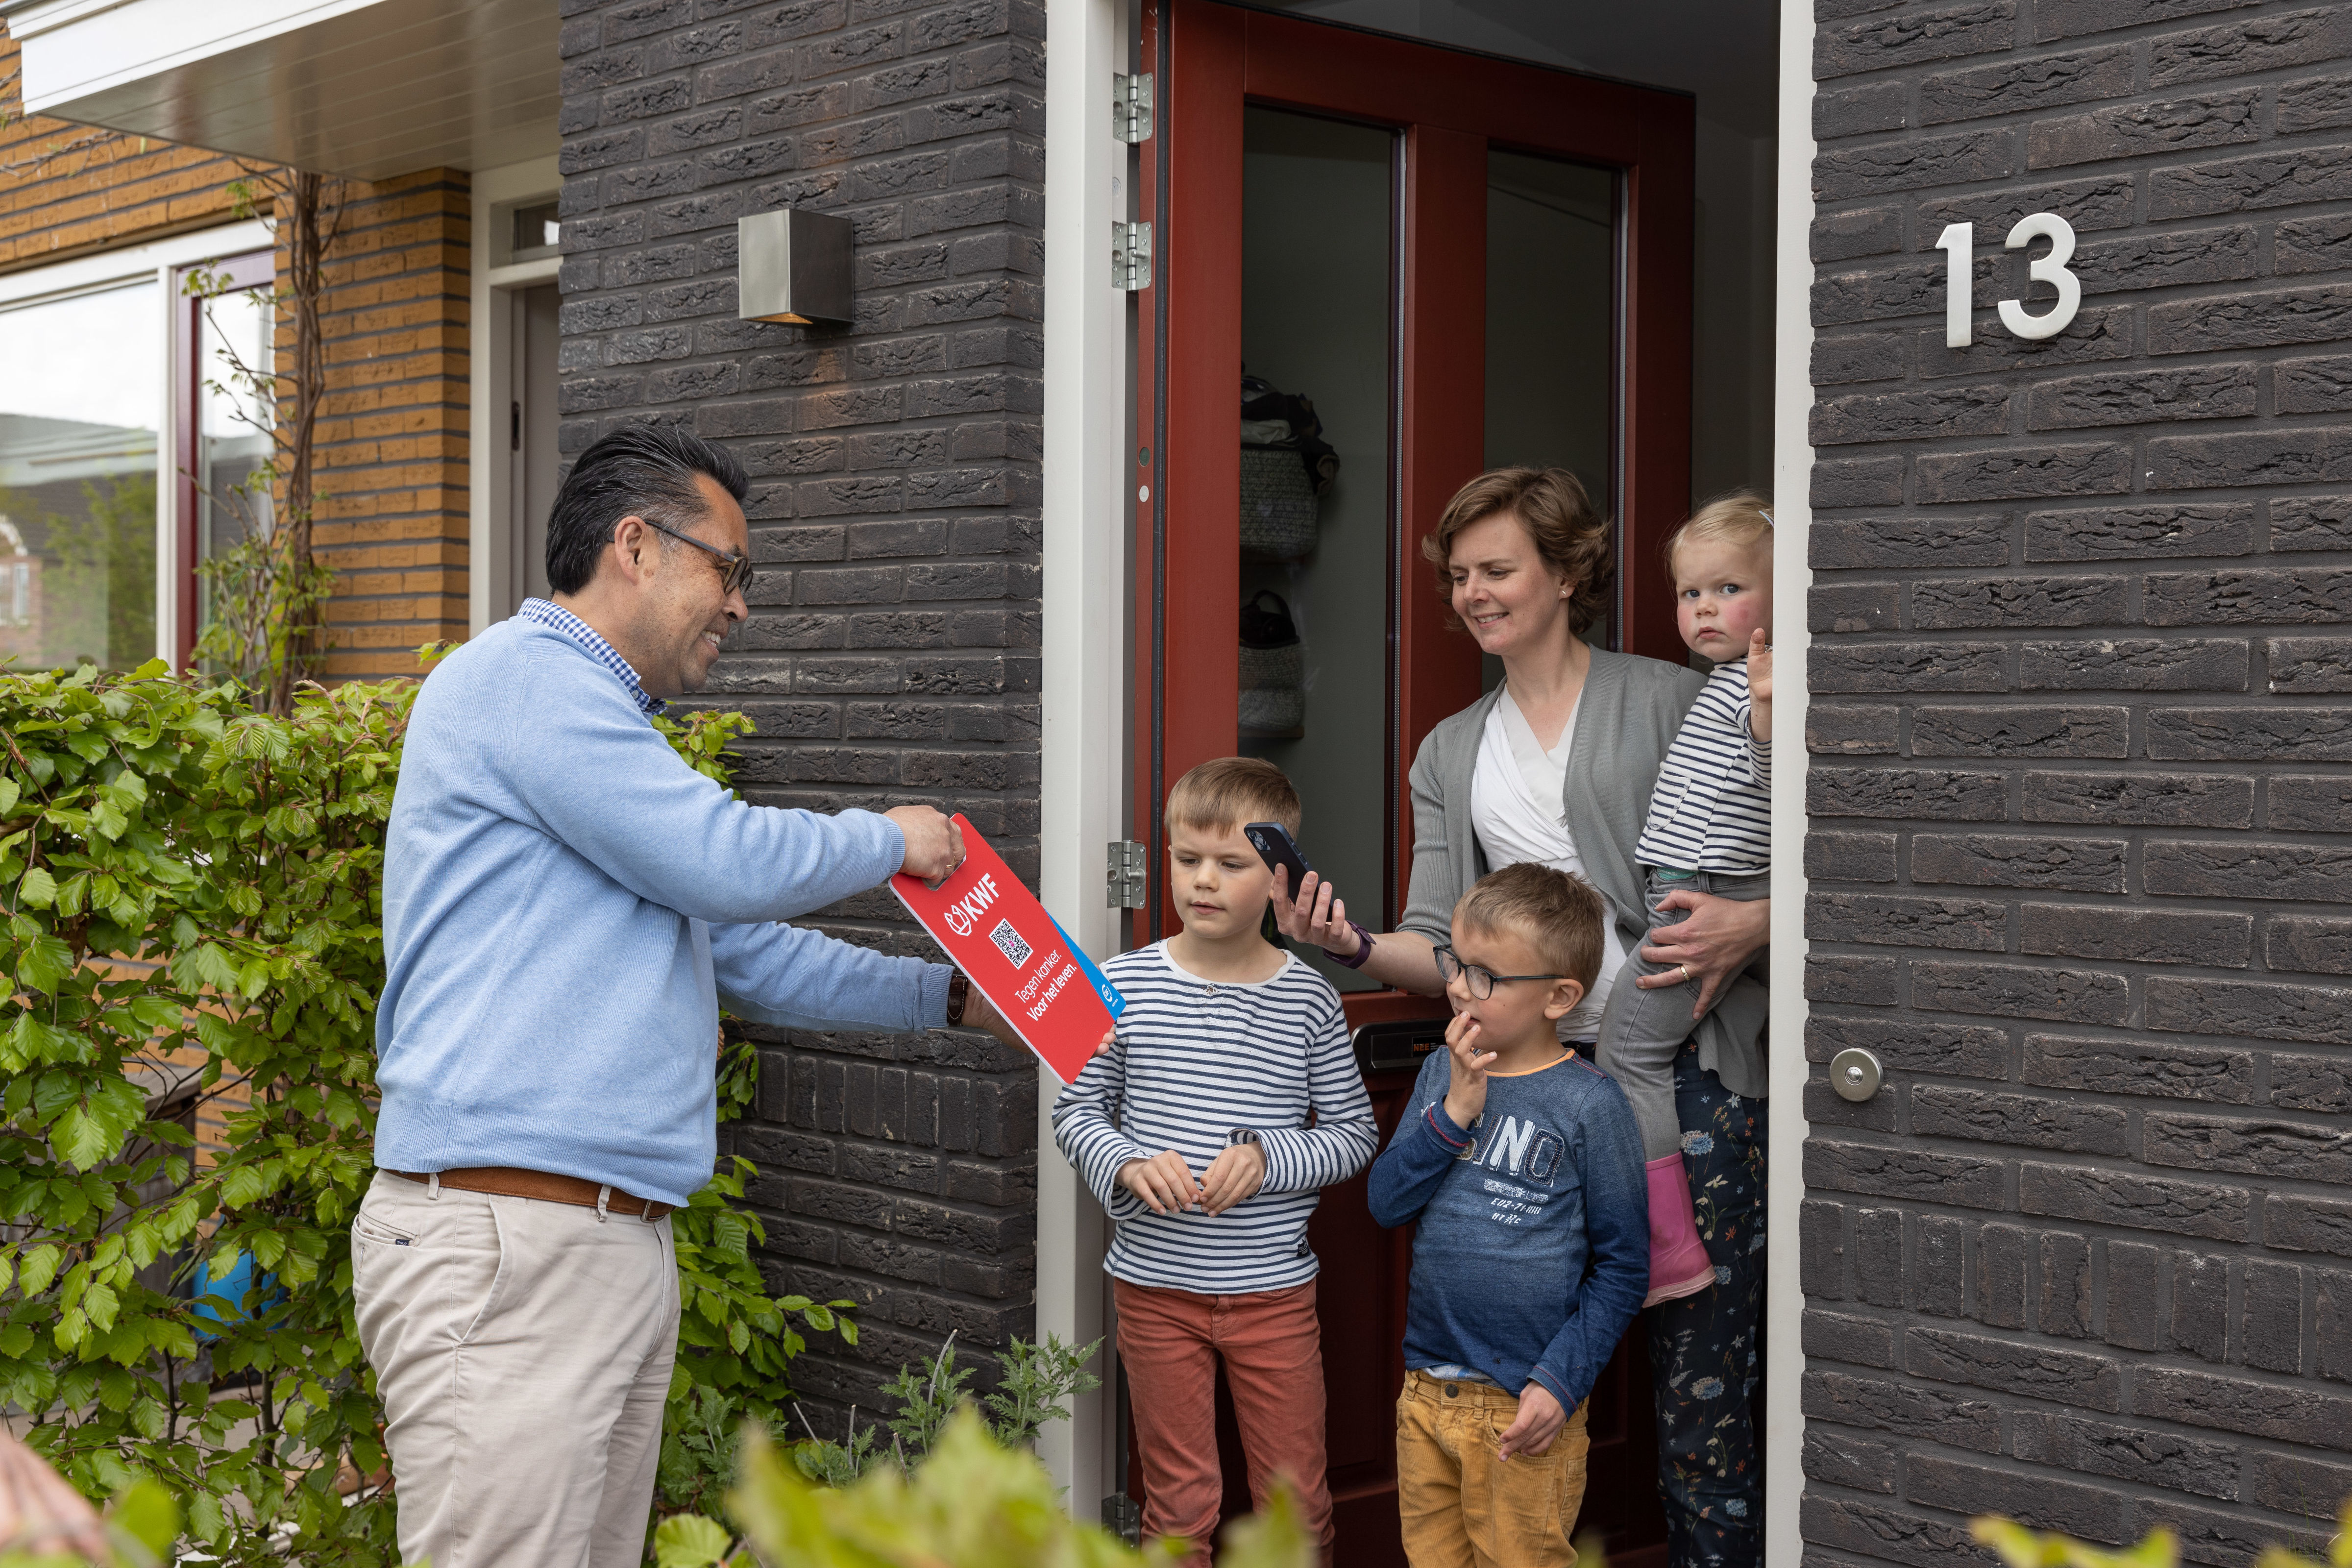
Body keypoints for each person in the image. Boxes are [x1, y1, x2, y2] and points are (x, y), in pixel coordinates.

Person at [355, 424, 1019, 1568]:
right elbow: (720, 858)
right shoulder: (529, 683)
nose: (742, 606)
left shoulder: (609, 730)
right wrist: (894, 839)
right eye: (732, 569)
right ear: (637, 546)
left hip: (592, 1242)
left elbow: (738, 948)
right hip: (514, 1241)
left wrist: (946, 999)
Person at [1273, 468, 1771, 1565]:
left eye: (1498, 568)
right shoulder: (1451, 750)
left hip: (1685, 1068)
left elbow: (1785, 833)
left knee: (1701, 1393)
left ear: (1566, 571)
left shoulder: (1679, 695)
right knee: (1524, 1390)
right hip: (1536, 1088)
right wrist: (1348, 943)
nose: (1474, 593)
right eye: (1459, 576)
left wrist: (1762, 923)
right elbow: (1440, 940)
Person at [1053, 758, 1378, 1567]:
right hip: (1154, 1291)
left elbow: (1353, 1134)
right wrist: (1125, 1164)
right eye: (1185, 858)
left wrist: (1269, 1160)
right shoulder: (1118, 987)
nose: (1203, 881)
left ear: (1278, 879)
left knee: (1294, 1507)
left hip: (1272, 1294)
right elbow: (1076, 1113)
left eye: (1232, 864)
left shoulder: (1311, 1000)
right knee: (1178, 1505)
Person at [1368, 862, 1647, 1568]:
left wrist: (1560, 1384)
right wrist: (1456, 1111)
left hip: (1524, 1407)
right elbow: (1386, 1202)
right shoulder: (1442, 1073)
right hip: (1428, 1388)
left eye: (1486, 976)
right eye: (1456, 964)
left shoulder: (1590, 1106)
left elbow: (1622, 1268)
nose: (1460, 986)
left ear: (1559, 996)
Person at [1593, 494, 1775, 1307]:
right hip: (1681, 891)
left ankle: (1664, 1243)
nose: (1703, 609)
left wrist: (1770, 718)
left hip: (1703, 899)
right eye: (1689, 594)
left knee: (1625, 1054)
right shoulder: (1723, 682)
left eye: (1729, 588)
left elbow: (1784, 797)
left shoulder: (1761, 686)